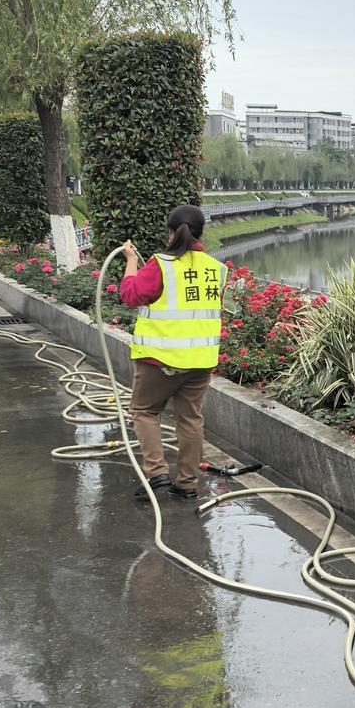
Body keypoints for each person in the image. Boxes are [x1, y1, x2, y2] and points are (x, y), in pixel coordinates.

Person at [118, 204, 227, 502]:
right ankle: (188, 484)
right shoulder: (216, 269)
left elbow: (130, 295)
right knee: (190, 419)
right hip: (201, 362)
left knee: (144, 411)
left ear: (170, 232)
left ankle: (156, 473)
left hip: (160, 360)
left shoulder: (160, 264)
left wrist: (130, 261)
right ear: (201, 232)